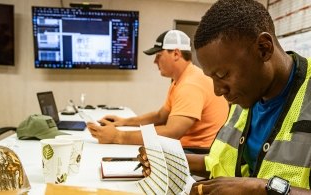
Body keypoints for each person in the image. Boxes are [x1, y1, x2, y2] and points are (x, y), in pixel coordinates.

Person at [138, 0, 311, 194]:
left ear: (263, 48)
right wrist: (170, 160)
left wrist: (259, 188)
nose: (217, 91)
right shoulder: (246, 94)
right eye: (212, 78)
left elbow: (249, 185)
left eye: (222, 75)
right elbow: (221, 163)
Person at [87, 30, 229, 149]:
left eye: (158, 55)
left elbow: (171, 132)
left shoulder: (190, 84)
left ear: (176, 54)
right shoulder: (181, 80)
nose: (155, 61)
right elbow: (161, 116)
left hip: (195, 154)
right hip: (188, 149)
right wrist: (123, 122)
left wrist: (117, 136)